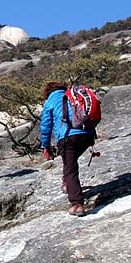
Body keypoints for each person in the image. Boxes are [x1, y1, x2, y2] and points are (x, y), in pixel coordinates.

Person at [39, 81, 96, 217]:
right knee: (70, 163)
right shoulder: (72, 95)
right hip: (87, 136)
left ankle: (77, 204)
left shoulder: (51, 101)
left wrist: (45, 146)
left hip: (67, 138)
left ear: (47, 93)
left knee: (70, 169)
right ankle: (67, 184)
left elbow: (45, 125)